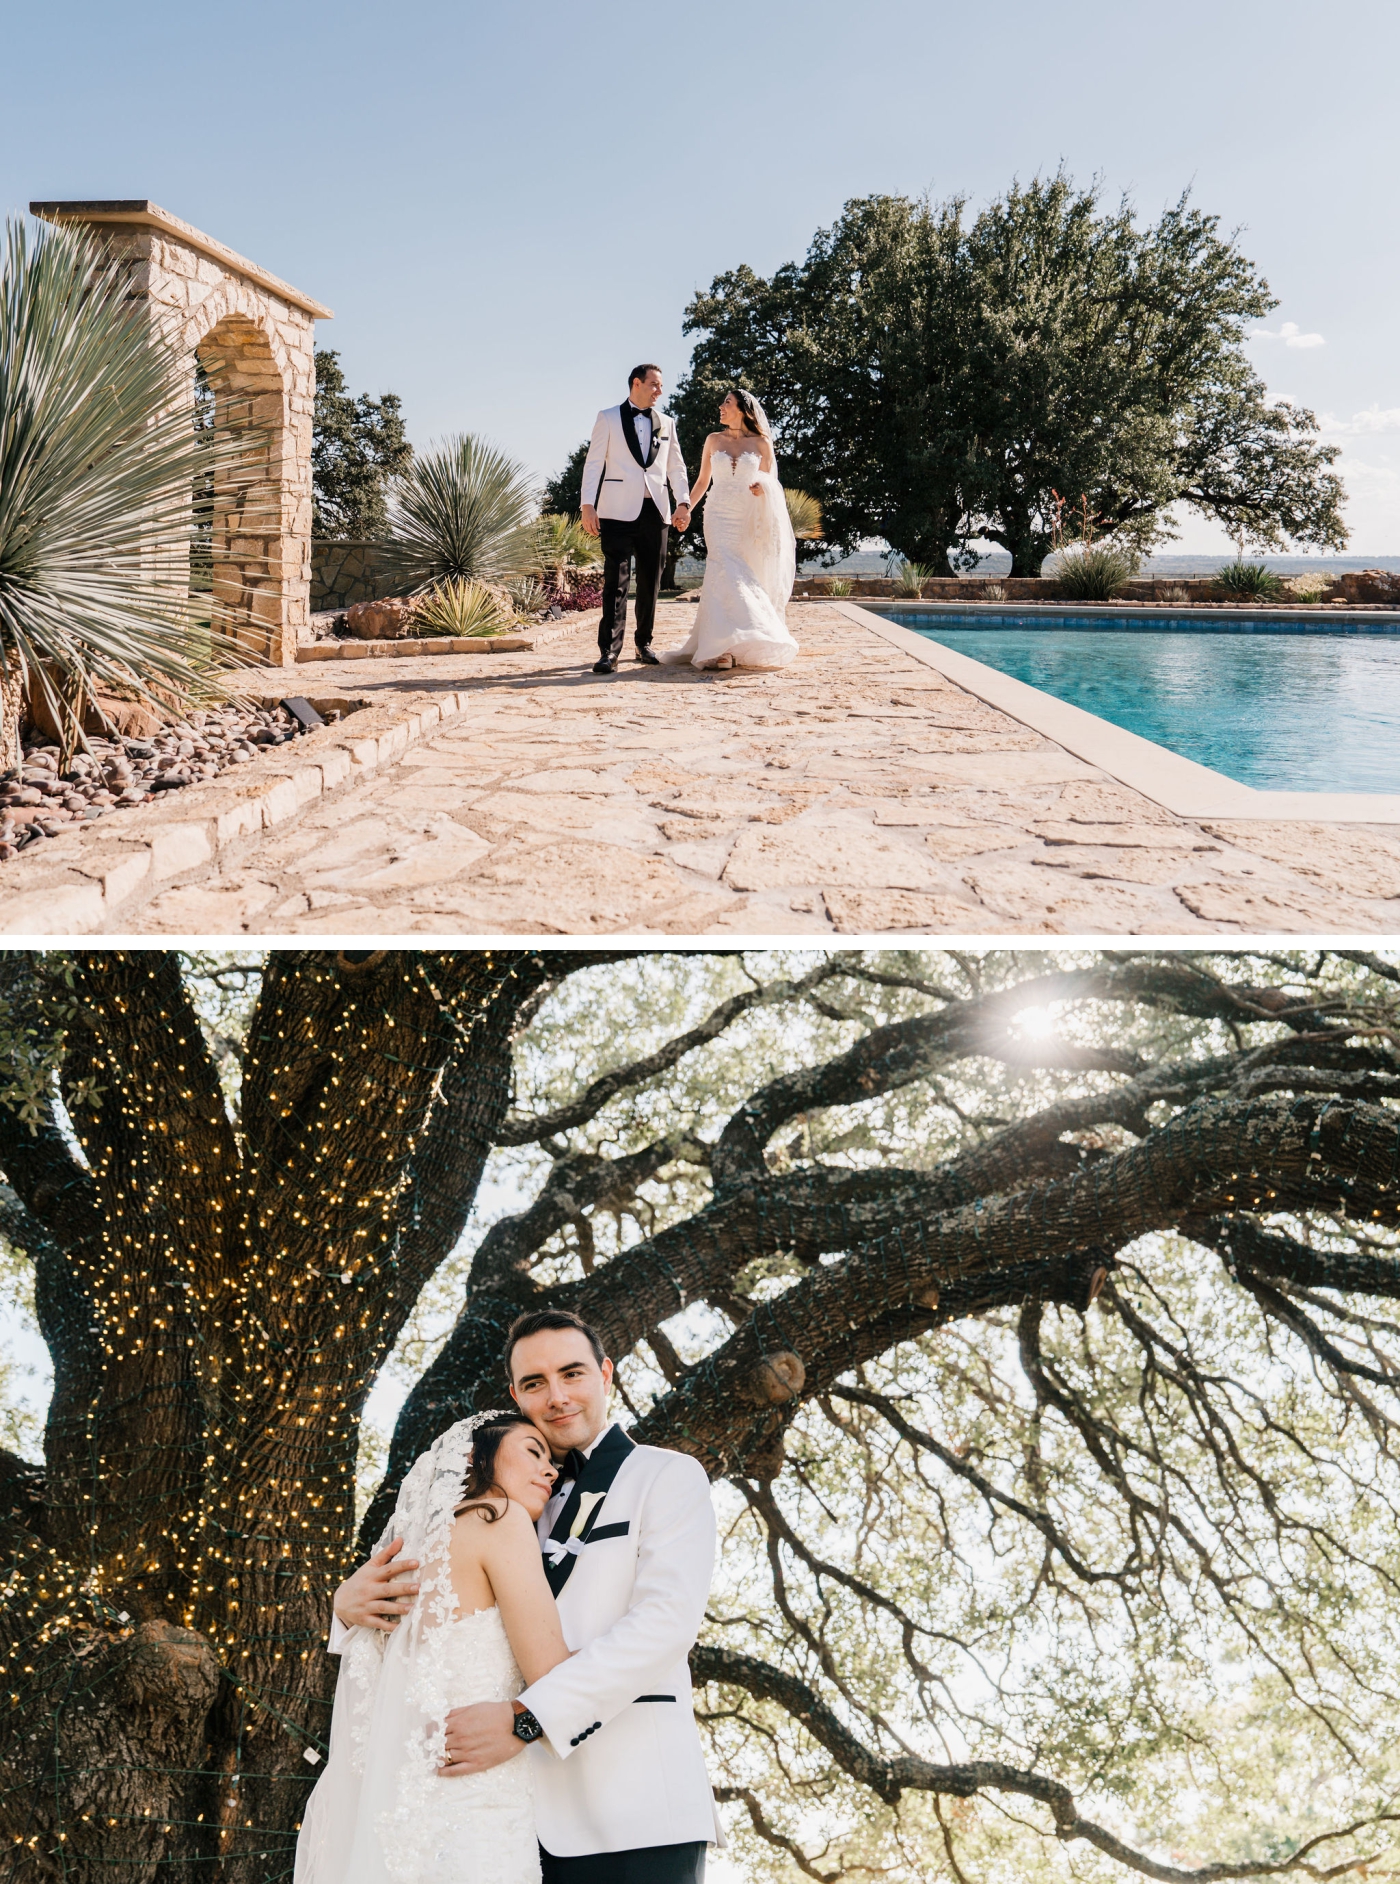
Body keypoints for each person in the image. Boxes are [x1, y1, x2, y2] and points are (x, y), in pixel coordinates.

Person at [322, 1310, 723, 1884]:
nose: (557, 1396)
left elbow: (664, 1625)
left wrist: (527, 1720)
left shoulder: (667, 1476)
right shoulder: (504, 1499)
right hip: (505, 1822)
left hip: (633, 1812)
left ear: (606, 1375)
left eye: (573, 1373)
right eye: (535, 1383)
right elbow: (437, 1610)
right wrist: (347, 1606)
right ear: (515, 1395)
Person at [295, 1410, 567, 1884]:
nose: (551, 1470)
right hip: (476, 1802)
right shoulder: (500, 1518)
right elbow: (552, 1674)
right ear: (472, 1458)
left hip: (399, 1808)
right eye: (532, 1451)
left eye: (552, 1461)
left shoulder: (409, 1557)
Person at [657, 388, 797, 672]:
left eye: (727, 403)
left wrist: (762, 488)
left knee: (740, 572)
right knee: (722, 569)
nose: (721, 407)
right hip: (718, 514)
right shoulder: (713, 440)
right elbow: (702, 481)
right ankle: (721, 647)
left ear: (743, 410)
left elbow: (772, 484)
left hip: (747, 515)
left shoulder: (762, 443)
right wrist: (685, 507)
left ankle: (740, 641)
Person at [579, 365, 692, 675]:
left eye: (661, 386)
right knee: (615, 582)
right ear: (636, 383)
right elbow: (593, 465)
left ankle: (643, 644)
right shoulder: (608, 418)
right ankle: (609, 652)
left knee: (650, 582)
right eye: (655, 385)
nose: (659, 391)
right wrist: (587, 505)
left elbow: (676, 467)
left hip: (656, 511)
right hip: (615, 510)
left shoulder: (667, 422)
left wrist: (683, 503)